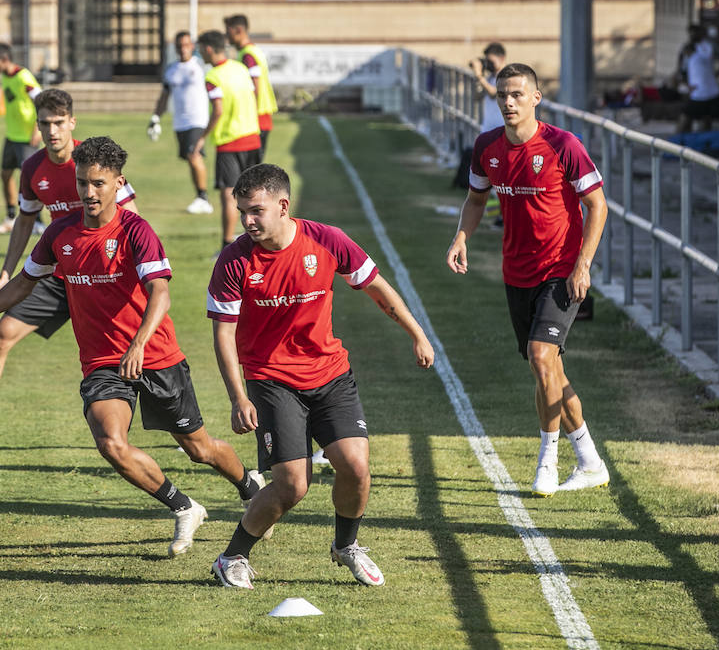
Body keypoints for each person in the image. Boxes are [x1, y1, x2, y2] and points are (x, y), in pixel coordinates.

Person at [0, 136, 262, 557]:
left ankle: (249, 486)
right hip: (103, 363)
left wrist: (138, 344)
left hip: (156, 356)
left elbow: (161, 294)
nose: (88, 193)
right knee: (111, 442)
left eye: (98, 183)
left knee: (199, 448)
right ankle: (185, 507)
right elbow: (24, 282)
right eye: (82, 183)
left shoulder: (136, 231)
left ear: (118, 183)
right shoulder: (61, 232)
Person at [207, 163, 435, 589]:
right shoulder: (235, 260)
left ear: (283, 206)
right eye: (242, 212)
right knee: (293, 486)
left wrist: (417, 333)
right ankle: (232, 556)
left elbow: (377, 287)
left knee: (356, 466)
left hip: (330, 374)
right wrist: (239, 398)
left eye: (256, 211)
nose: (247, 221)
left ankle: (346, 546)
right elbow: (223, 333)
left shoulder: (327, 240)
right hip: (272, 380)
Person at [0, 90, 137, 456]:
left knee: (135, 354)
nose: (51, 131)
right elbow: (25, 219)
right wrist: (6, 272)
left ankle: (186, 429)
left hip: (105, 278)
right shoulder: (34, 169)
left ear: (72, 122)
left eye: (57, 122)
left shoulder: (94, 162)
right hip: (59, 273)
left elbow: (134, 219)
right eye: (44, 124)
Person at [445, 63, 610, 498]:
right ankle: (591, 461)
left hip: (560, 269)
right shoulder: (487, 147)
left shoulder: (563, 144)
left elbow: (597, 205)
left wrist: (583, 264)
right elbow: (476, 199)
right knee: (548, 369)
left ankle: (547, 461)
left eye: (518, 94)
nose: (508, 102)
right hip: (515, 272)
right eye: (502, 95)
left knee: (541, 357)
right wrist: (462, 236)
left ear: (537, 97)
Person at [192, 31, 261, 249]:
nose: (200, 53)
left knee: (229, 196)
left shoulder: (213, 76)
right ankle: (260, 240)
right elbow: (254, 94)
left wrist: (202, 137)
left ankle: (226, 245)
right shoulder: (240, 68)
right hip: (253, 136)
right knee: (255, 194)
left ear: (209, 49)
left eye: (200, 48)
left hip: (230, 142)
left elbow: (218, 110)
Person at [149, 31, 213, 215]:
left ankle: (203, 198)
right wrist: (155, 118)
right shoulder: (171, 70)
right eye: (179, 46)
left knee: (194, 155)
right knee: (190, 158)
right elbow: (164, 96)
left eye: (186, 45)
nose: (183, 49)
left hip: (198, 119)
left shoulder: (200, 66)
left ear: (192, 46)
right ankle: (200, 197)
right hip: (180, 122)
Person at [0, 43, 43, 234]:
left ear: (3, 59)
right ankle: (11, 217)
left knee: (31, 180)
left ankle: (38, 221)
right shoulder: (5, 76)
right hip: (12, 136)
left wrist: (38, 129)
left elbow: (41, 101)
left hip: (27, 138)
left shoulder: (23, 77)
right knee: (5, 175)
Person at [452, 43, 508, 190]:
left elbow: (494, 94)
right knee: (486, 167)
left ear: (501, 58)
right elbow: (477, 97)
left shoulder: (507, 76)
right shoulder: (489, 78)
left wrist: (479, 75)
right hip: (487, 130)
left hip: (502, 132)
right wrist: (480, 77)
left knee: (499, 169)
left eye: (491, 61)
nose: (488, 64)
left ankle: (498, 199)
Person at [224, 15, 277, 157]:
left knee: (251, 173)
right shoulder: (253, 50)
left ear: (238, 30)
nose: (226, 36)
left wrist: (248, 115)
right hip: (260, 115)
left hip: (256, 118)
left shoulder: (248, 55)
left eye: (228, 32)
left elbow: (255, 86)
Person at [676, 26, 719, 140]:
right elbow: (682, 71)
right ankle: (675, 144)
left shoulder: (703, 50)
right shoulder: (701, 53)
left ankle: (673, 145)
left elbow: (713, 70)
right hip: (704, 93)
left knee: (686, 119)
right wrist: (685, 85)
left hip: (703, 93)